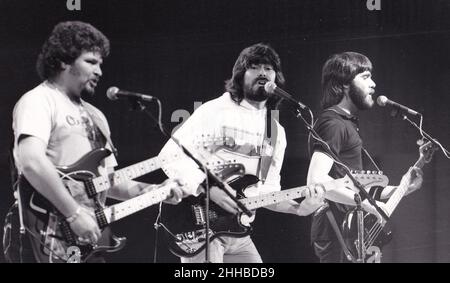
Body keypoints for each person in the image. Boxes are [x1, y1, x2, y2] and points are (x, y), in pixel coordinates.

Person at [10, 21, 183, 263]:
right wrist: (73, 213)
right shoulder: (39, 100)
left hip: (84, 241)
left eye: (101, 64)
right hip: (43, 233)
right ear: (63, 61)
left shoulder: (97, 117)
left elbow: (104, 184)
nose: (100, 71)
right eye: (91, 62)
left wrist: (152, 192)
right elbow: (30, 161)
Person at [159, 43, 325, 263]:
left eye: (269, 68)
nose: (263, 73)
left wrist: (300, 208)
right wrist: (208, 189)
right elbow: (170, 156)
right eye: (255, 67)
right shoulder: (215, 110)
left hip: (238, 233)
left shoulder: (275, 132)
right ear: (240, 75)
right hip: (201, 228)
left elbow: (266, 193)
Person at [307, 51, 424, 263]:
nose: (373, 84)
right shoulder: (333, 123)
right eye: (365, 77)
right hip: (336, 228)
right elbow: (316, 180)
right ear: (343, 84)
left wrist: (404, 188)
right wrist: (368, 206)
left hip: (352, 227)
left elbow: (360, 188)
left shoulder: (348, 123)